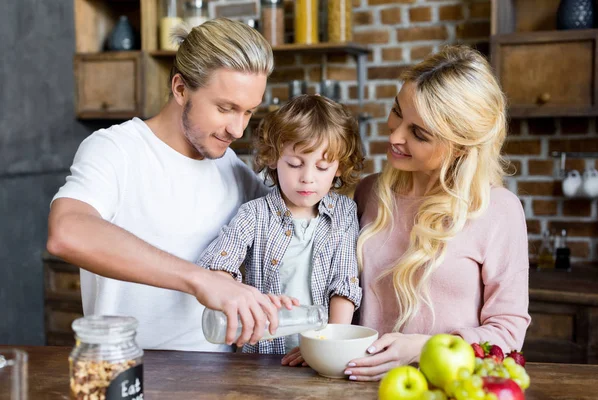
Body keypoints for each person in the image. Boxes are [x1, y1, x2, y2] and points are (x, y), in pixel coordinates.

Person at [46, 18, 287, 352]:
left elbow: (294, 228)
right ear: (180, 88)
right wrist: (201, 280)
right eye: (225, 108)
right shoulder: (116, 149)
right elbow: (67, 233)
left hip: (219, 380)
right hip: (126, 371)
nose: (237, 129)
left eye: (248, 112)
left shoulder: (232, 168)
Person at [344, 45, 531, 381]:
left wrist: (424, 348)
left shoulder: (497, 211)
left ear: (460, 145)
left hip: (446, 387)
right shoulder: (368, 193)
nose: (395, 135)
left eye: (419, 133)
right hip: (357, 385)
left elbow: (508, 330)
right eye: (397, 112)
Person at [196, 95, 364, 363]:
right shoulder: (254, 214)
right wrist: (233, 293)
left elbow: (344, 284)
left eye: (322, 167)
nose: (307, 177)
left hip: (320, 354)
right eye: (295, 164)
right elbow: (217, 266)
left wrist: (326, 343)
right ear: (273, 158)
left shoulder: (344, 213)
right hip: (260, 356)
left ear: (340, 167)